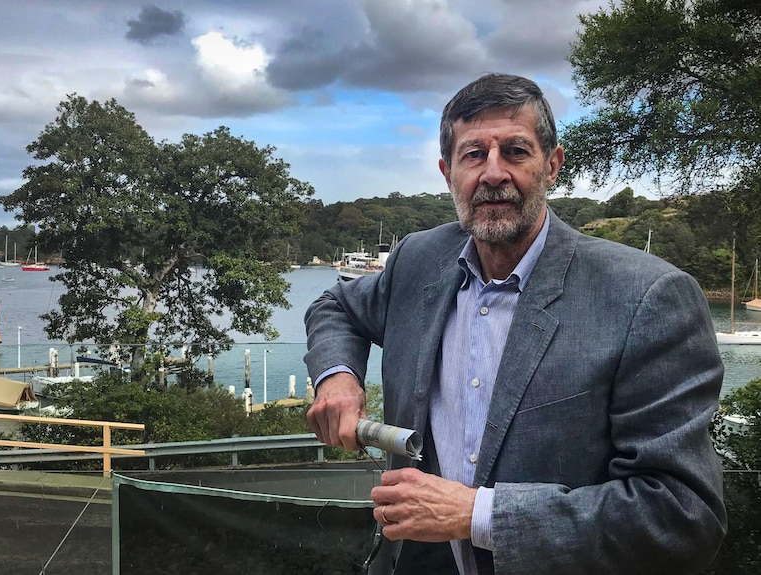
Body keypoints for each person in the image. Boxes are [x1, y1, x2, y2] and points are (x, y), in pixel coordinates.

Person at [303, 73, 726, 575]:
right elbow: (336, 307)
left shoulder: (646, 297)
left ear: (552, 164)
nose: (493, 173)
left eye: (516, 151)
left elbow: (682, 515)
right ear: (447, 172)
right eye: (474, 154)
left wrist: (476, 514)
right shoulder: (417, 259)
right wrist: (337, 378)